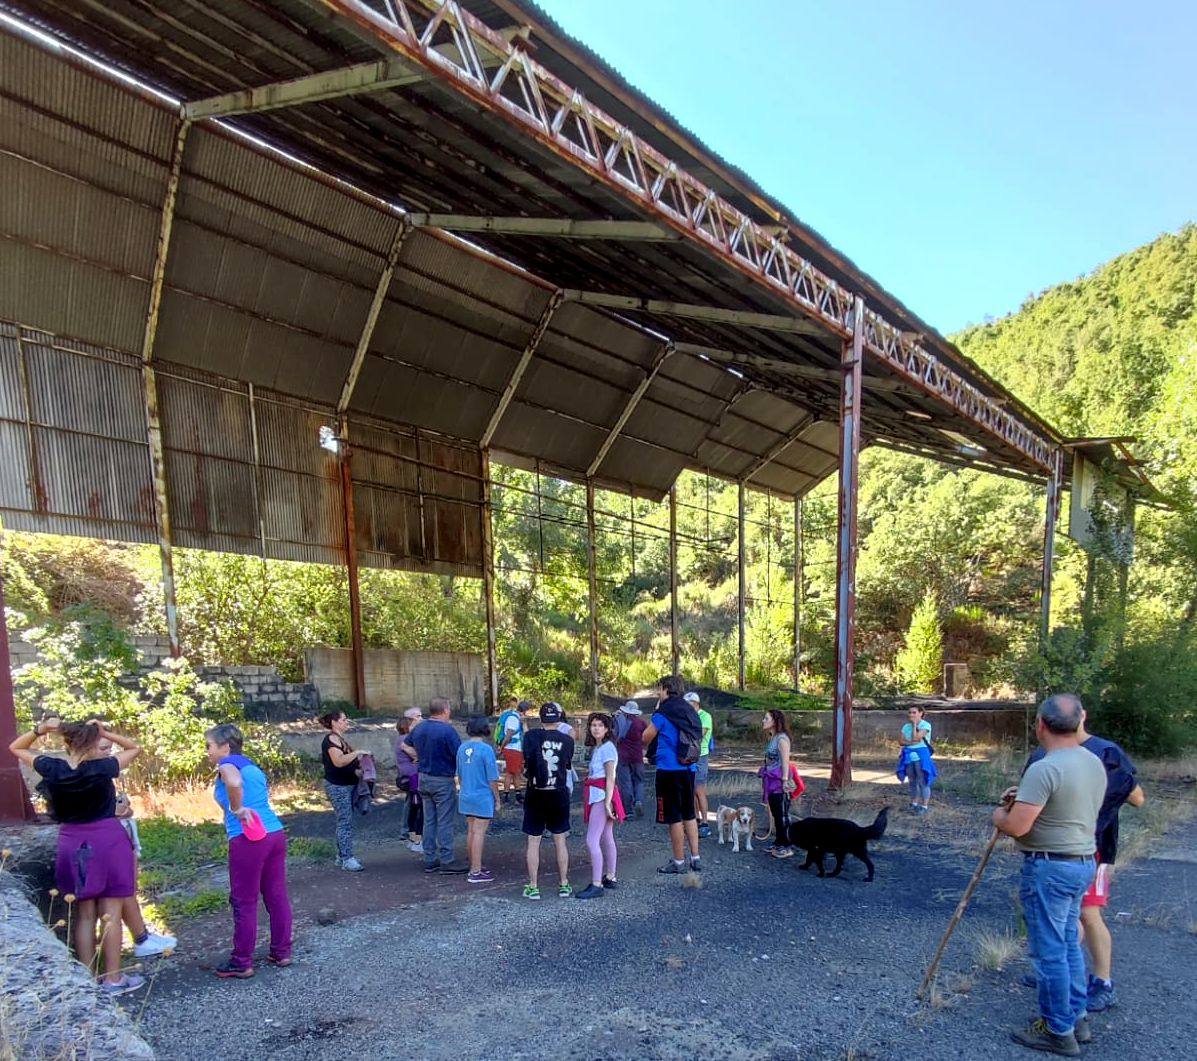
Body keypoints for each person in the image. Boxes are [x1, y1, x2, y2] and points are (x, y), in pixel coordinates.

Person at [993, 694, 1106, 1056]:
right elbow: (1065, 806)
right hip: (1082, 861)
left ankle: (1058, 1029)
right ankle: (1077, 1016)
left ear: (1040, 724)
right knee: (1069, 944)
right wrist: (1024, 795)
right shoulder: (1092, 761)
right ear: (1079, 722)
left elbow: (1016, 827)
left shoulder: (1045, 767)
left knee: (1050, 951)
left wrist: (1000, 815)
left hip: (1050, 867)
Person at [10, 717, 145, 994]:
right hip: (107, 839)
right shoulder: (102, 768)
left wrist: (40, 730)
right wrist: (107, 731)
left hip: (73, 840)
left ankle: (88, 978)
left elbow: (16, 747)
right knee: (111, 910)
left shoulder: (52, 768)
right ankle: (114, 978)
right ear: (93, 742)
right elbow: (134, 749)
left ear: (68, 742)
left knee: (84, 913)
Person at [1024, 704, 1145, 1013]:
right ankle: (1060, 975)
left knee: (1089, 914)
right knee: (1063, 919)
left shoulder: (1105, 753)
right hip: (1053, 849)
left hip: (1096, 846)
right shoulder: (1042, 755)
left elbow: (1137, 798)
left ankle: (1103, 983)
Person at [205, 723, 292, 979]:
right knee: (276, 895)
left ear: (224, 746)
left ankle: (241, 961)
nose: (207, 752)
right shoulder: (252, 765)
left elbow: (232, 782)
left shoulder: (227, 765)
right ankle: (282, 951)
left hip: (248, 836)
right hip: (274, 832)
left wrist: (236, 808)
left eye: (209, 746)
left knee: (244, 900)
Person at [101, 737, 176, 960]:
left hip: (121, 836)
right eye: (103, 748)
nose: (109, 753)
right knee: (121, 893)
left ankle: (142, 936)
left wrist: (124, 811)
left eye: (110, 748)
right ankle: (140, 939)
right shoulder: (91, 773)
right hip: (110, 841)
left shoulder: (104, 772)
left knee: (129, 889)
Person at [643, 675, 702, 875]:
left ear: (666, 689)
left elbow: (646, 737)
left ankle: (678, 862)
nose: (658, 693)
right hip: (689, 768)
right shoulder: (689, 710)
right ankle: (696, 858)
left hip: (669, 770)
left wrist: (656, 713)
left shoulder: (664, 712)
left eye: (659, 689)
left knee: (673, 818)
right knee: (689, 813)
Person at [521, 702, 574, 900]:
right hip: (558, 791)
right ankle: (564, 884)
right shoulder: (567, 740)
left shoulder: (530, 736)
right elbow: (567, 765)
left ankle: (533, 886)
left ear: (541, 718)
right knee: (560, 839)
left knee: (533, 841)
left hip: (536, 791)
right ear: (559, 718)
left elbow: (527, 761)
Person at [409, 698, 466, 873]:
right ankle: (447, 859)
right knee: (445, 820)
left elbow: (406, 744)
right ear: (445, 710)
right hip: (442, 778)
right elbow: (459, 754)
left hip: (423, 777)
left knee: (429, 820)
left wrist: (418, 757)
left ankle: (430, 858)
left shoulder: (419, 727)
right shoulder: (447, 731)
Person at [578, 712, 622, 899]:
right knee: (606, 836)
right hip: (600, 793)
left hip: (601, 795)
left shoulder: (607, 748)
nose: (596, 728)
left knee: (592, 839)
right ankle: (610, 877)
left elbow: (610, 776)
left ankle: (597, 884)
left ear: (607, 728)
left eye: (600, 725)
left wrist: (607, 802)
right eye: (593, 725)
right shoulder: (600, 748)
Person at [318, 710, 365, 871]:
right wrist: (357, 753)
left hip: (347, 785)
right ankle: (347, 858)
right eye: (344, 720)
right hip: (338, 787)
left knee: (345, 820)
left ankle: (342, 856)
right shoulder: (331, 739)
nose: (347, 722)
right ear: (334, 722)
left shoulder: (338, 739)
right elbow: (338, 762)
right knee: (345, 821)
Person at [456, 716, 500, 884]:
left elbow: (459, 775)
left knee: (471, 831)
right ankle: (476, 871)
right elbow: (492, 779)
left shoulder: (461, 748)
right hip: (482, 797)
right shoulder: (486, 749)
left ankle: (474, 865)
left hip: (466, 794)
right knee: (479, 833)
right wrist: (497, 799)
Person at [761, 709, 797, 858]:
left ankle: (786, 845)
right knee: (776, 813)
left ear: (774, 721)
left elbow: (785, 761)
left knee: (781, 813)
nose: (763, 721)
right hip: (771, 779)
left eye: (766, 718)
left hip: (778, 781)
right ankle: (779, 841)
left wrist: (784, 781)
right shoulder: (773, 738)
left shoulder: (782, 739)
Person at [897, 705, 936, 814]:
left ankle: (924, 806)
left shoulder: (925, 725)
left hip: (921, 757)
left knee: (922, 781)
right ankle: (914, 803)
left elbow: (916, 738)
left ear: (921, 713)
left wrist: (914, 725)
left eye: (914, 712)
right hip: (909, 756)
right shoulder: (905, 726)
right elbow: (901, 741)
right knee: (912, 781)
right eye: (910, 712)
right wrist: (910, 743)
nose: (911, 715)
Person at [393, 713, 423, 853]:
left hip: (409, 774)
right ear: (406, 727)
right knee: (417, 806)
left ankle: (413, 837)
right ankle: (416, 839)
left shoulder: (399, 739)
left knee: (413, 805)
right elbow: (418, 754)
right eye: (412, 725)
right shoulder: (405, 740)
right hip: (413, 776)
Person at [687, 691, 714, 838]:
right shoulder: (689, 716)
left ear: (695, 703)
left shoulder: (705, 716)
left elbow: (698, 735)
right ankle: (695, 818)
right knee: (690, 790)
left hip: (700, 756)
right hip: (689, 756)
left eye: (688, 704)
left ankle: (705, 821)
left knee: (699, 789)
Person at [614, 700, 647, 817]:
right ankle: (638, 800)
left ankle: (629, 811)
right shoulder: (642, 724)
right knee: (639, 781)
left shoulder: (619, 722)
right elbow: (646, 739)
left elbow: (614, 735)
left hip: (623, 756)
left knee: (625, 782)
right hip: (637, 756)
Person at [494, 697, 527, 805]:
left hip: (513, 748)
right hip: (513, 748)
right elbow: (508, 735)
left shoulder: (512, 716)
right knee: (513, 773)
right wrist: (502, 747)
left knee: (512, 772)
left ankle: (511, 794)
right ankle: (512, 795)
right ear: (524, 711)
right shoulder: (514, 719)